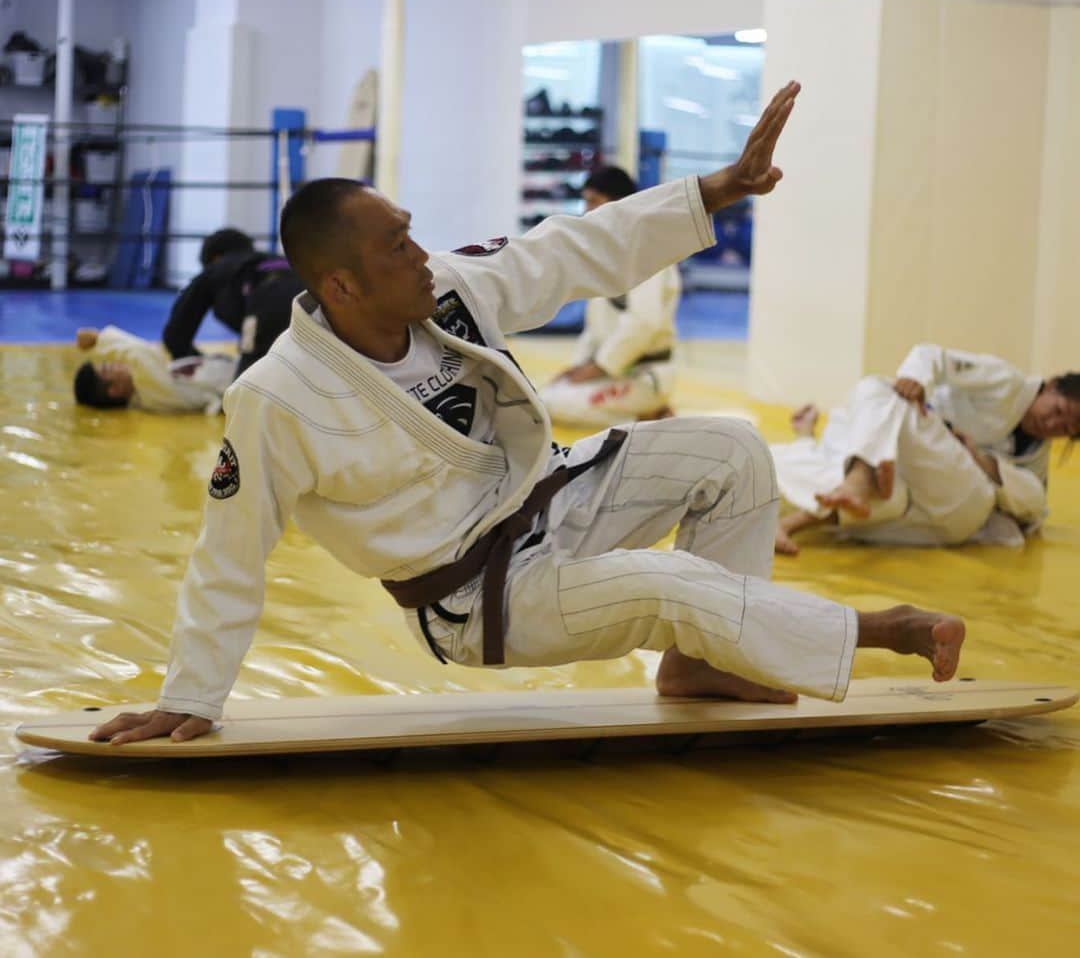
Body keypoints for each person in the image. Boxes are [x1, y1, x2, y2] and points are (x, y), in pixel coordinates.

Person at [89, 82, 967, 748]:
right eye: (397, 247)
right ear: (343, 285)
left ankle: (711, 661)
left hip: (552, 504)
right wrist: (191, 698)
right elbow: (227, 557)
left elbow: (571, 249)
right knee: (670, 585)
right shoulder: (275, 398)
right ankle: (874, 631)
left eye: (411, 231)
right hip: (478, 597)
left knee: (734, 450)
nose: (421, 254)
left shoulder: (446, 295)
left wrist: (716, 191)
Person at [773, 345, 1080, 554]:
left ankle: (858, 478)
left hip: (963, 497)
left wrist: (980, 460)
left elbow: (1034, 506)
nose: (1055, 424)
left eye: (1067, 428)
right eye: (1059, 410)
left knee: (877, 390)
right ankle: (788, 525)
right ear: (1051, 386)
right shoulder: (1005, 381)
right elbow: (933, 355)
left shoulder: (1036, 461)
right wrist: (916, 378)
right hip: (918, 501)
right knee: (889, 498)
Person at [539, 166, 680, 426]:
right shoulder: (610, 254)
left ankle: (648, 416)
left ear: (617, 204)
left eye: (593, 201)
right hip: (615, 372)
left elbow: (644, 323)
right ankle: (644, 416)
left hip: (645, 374)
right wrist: (579, 367)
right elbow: (596, 327)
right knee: (544, 396)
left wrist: (599, 367)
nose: (586, 210)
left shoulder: (647, 252)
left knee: (550, 406)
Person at [162, 227, 304, 377]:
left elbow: (176, 334)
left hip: (267, 301)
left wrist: (195, 360)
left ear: (214, 258)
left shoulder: (216, 269)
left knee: (249, 382)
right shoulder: (273, 260)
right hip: (313, 296)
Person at [72, 326, 235, 415]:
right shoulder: (149, 392)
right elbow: (138, 354)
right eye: (108, 368)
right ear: (114, 391)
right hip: (235, 380)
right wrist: (97, 339)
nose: (115, 363)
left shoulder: (149, 387)